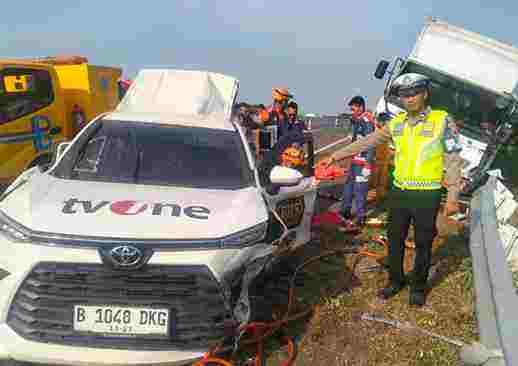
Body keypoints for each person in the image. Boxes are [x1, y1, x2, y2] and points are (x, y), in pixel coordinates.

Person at [325, 73, 465, 306]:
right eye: (404, 95)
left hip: (427, 194)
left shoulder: (443, 120)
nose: (409, 99)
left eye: (414, 93)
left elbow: (453, 159)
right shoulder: (397, 123)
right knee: (395, 238)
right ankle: (395, 281)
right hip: (399, 192)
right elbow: (368, 141)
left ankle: (418, 287)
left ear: (425, 94)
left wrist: (453, 196)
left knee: (423, 242)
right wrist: (337, 155)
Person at [339, 96, 376, 227]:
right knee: (348, 188)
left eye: (354, 109)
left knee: (360, 191)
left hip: (363, 163)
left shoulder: (367, 122)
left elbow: (371, 143)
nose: (352, 112)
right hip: (355, 162)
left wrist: (368, 162)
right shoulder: (358, 120)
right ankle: (345, 211)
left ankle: (360, 217)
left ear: (360, 107)